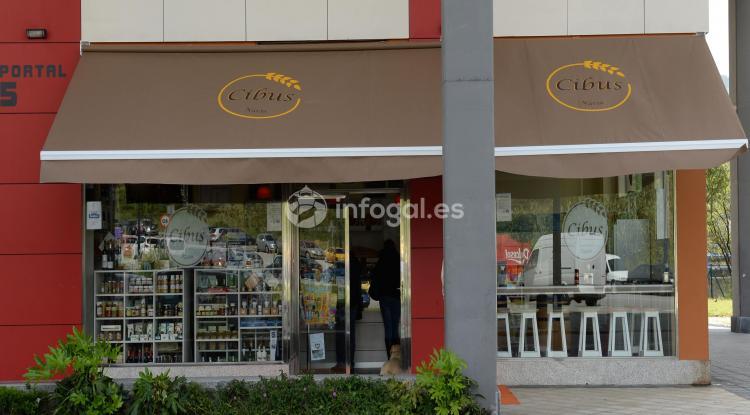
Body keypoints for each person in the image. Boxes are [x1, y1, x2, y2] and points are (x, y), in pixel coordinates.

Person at [373, 239, 401, 359]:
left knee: (388, 328)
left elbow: (375, 277)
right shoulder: (398, 260)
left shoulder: (381, 260)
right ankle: (397, 357)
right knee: (395, 327)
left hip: (384, 297)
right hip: (396, 296)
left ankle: (389, 357)